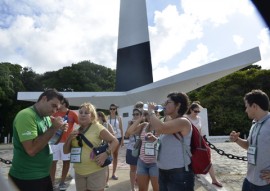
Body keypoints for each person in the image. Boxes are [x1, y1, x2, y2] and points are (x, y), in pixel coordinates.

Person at [9, 89, 67, 191]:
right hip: (27, 178)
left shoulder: (46, 117)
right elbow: (31, 150)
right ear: (44, 99)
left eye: (57, 109)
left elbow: (53, 142)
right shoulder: (26, 115)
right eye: (53, 106)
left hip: (43, 175)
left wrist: (59, 130)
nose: (54, 111)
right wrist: (53, 128)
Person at [63, 102, 118, 191]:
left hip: (95, 171)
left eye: (86, 113)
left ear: (92, 116)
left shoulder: (97, 127)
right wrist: (69, 138)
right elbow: (65, 151)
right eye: (80, 112)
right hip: (79, 172)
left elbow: (115, 141)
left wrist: (106, 154)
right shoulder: (75, 130)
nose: (83, 115)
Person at [146, 92, 195, 191]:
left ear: (178, 105)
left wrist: (151, 111)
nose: (165, 105)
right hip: (164, 173)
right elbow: (170, 142)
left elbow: (160, 128)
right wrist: (155, 139)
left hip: (178, 175)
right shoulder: (170, 122)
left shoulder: (183, 121)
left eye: (168, 102)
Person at [229, 89, 270, 191]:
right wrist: (237, 139)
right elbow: (249, 145)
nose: (245, 110)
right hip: (249, 181)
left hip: (265, 184)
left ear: (254, 106)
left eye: (247, 106)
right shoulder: (254, 123)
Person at [185, 102, 223, 188]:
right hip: (189, 142)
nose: (197, 113)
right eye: (195, 111)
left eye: (198, 111)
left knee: (207, 156)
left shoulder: (199, 118)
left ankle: (214, 179)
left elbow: (200, 131)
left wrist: (202, 142)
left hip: (198, 141)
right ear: (190, 110)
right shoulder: (185, 118)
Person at [50, 98, 79, 190]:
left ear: (65, 104)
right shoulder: (55, 113)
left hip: (67, 142)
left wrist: (75, 133)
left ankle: (62, 182)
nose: (58, 105)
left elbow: (81, 123)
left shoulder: (72, 113)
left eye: (60, 103)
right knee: (53, 162)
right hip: (55, 142)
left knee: (66, 162)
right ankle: (52, 182)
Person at [127, 110, 160, 191]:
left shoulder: (160, 126)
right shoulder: (144, 125)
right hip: (142, 162)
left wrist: (155, 139)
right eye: (147, 115)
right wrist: (140, 118)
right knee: (142, 189)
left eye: (151, 114)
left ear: (156, 115)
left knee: (157, 189)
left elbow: (164, 143)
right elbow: (129, 132)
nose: (149, 117)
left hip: (155, 163)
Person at [124, 108, 142, 191]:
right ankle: (132, 187)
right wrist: (129, 125)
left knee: (141, 169)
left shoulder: (144, 124)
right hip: (132, 149)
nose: (135, 116)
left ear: (140, 115)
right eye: (134, 114)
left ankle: (139, 185)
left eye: (137, 114)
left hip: (142, 150)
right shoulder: (130, 124)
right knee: (133, 169)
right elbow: (126, 136)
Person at [97, 111, 115, 188]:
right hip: (97, 148)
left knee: (106, 165)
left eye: (98, 116)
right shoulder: (93, 125)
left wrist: (107, 138)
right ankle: (100, 181)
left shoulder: (107, 125)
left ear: (101, 117)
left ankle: (106, 182)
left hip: (105, 147)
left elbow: (113, 135)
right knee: (98, 165)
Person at [107, 103, 124, 180]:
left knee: (115, 155)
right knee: (108, 155)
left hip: (118, 138)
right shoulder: (107, 118)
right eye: (111, 109)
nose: (112, 110)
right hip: (109, 138)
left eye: (114, 109)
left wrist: (123, 140)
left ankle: (113, 173)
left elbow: (121, 129)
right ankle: (106, 175)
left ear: (116, 110)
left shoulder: (119, 118)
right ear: (109, 110)